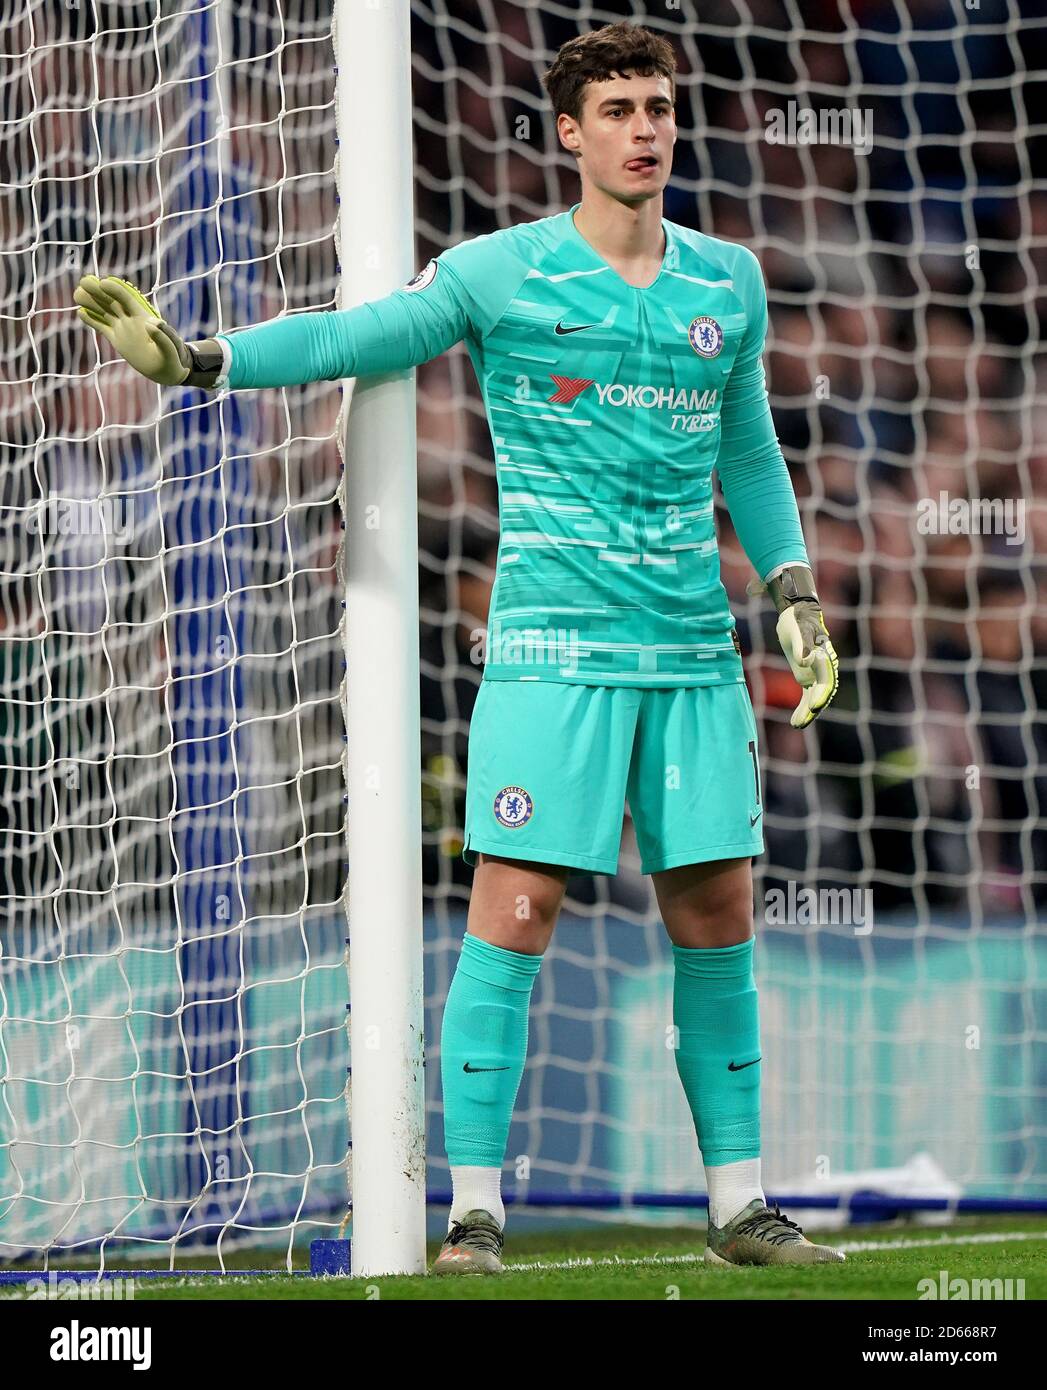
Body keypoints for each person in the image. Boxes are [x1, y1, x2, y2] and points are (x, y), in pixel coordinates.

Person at [74, 21, 840, 1272]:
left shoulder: (730, 280)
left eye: (660, 106)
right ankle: (475, 1209)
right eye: (622, 111)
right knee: (517, 908)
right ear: (571, 133)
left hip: (696, 656)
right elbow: (353, 337)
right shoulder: (500, 274)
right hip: (550, 649)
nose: (648, 128)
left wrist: (794, 588)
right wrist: (199, 359)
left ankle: (740, 1205)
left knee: (714, 916)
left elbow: (748, 451)